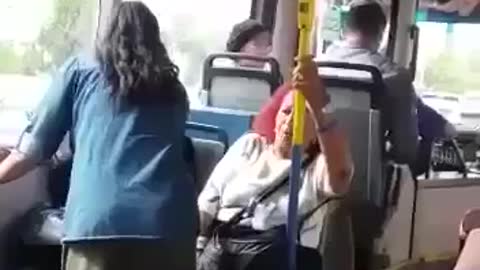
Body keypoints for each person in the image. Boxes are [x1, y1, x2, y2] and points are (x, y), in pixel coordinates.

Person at [0, 2, 196, 270]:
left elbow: (32, 150)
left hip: (99, 224)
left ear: (103, 34)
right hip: (170, 226)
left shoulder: (80, 70)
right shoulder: (173, 89)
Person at [196, 55, 354, 269]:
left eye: (302, 115)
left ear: (316, 131)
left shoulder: (316, 169)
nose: (290, 122)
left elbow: (341, 174)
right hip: (221, 251)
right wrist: (196, 250)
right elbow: (209, 199)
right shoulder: (250, 145)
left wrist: (319, 105)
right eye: (286, 112)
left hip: (274, 258)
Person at [323, 0, 455, 165]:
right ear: (381, 33)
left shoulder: (314, 68)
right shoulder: (394, 76)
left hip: (317, 172)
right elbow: (405, 151)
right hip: (370, 178)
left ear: (344, 30)